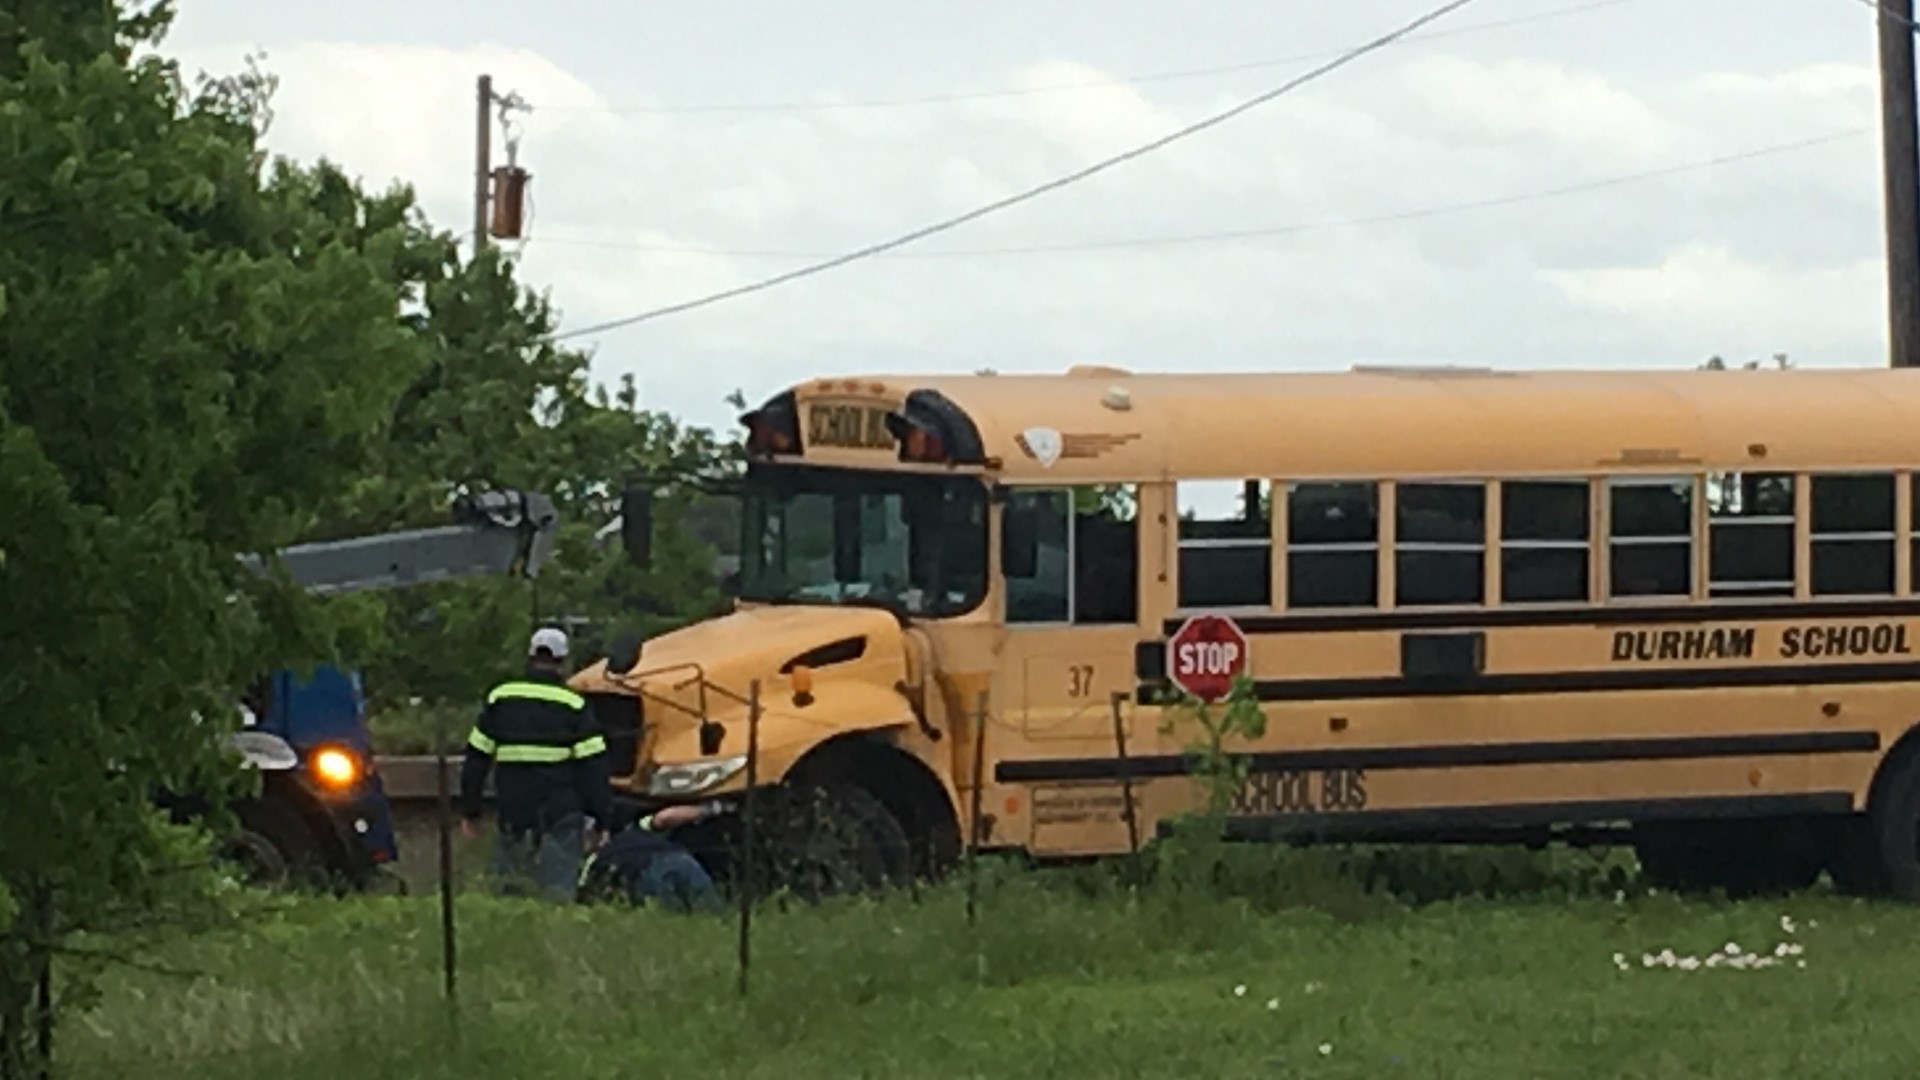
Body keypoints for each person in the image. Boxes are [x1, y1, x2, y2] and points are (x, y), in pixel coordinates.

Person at [460, 627, 612, 901]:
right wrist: (602, 820)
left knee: (507, 892)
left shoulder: (502, 697)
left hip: (512, 809)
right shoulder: (574, 704)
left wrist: (471, 811)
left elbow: (476, 759)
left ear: (530, 655)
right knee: (556, 892)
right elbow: (594, 768)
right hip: (560, 812)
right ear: (563, 661)